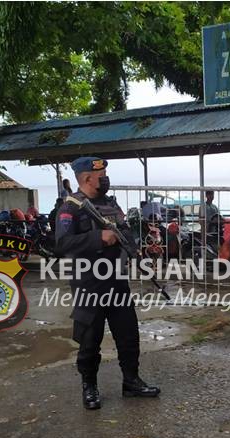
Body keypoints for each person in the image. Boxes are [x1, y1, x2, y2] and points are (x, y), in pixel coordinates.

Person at [55, 156, 160, 410]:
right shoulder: (71, 208)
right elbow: (61, 245)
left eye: (105, 174)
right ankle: (89, 387)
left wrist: (137, 251)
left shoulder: (111, 205)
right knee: (90, 338)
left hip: (116, 280)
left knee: (128, 333)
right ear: (87, 178)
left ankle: (131, 381)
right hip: (89, 283)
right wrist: (97, 238)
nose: (105, 178)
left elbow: (125, 231)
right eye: (101, 175)